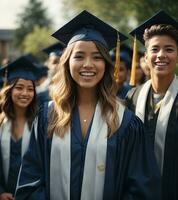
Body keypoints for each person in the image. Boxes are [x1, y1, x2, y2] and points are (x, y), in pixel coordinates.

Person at [15, 10, 161, 200]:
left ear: (107, 65)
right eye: (79, 56)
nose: (88, 64)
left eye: (97, 57)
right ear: (67, 63)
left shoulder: (125, 122)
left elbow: (141, 189)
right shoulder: (47, 117)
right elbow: (31, 182)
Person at [126, 10, 178, 200]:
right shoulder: (132, 96)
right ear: (145, 57)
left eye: (169, 49)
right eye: (155, 49)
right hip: (135, 193)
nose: (161, 55)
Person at [0, 55, 39, 199]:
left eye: (30, 89)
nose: (25, 93)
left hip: (32, 195)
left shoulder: (40, 124)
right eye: (19, 88)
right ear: (9, 90)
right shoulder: (0, 124)